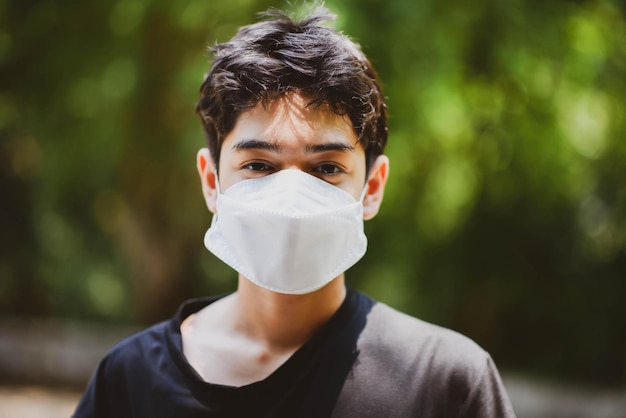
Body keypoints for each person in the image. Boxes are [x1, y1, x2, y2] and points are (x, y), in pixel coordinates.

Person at [73, 5, 516, 418]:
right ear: (212, 181)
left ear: (372, 187)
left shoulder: (443, 384)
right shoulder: (129, 383)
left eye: (326, 168)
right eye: (259, 166)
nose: (289, 195)